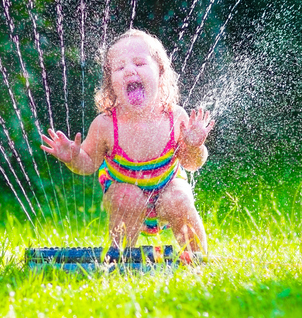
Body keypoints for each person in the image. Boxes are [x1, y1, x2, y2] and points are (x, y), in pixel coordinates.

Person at [40, 29, 214, 253]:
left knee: (179, 198)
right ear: (111, 83)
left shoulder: (176, 117)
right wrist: (73, 158)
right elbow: (89, 164)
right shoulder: (105, 125)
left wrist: (193, 145)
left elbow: (192, 163)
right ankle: (120, 258)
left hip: (168, 188)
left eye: (140, 63)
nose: (129, 70)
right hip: (124, 194)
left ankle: (197, 257)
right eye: (120, 67)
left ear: (160, 72)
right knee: (126, 197)